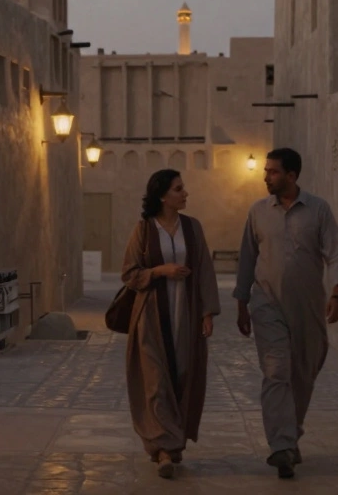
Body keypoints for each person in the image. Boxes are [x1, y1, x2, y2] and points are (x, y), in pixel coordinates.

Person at [235, 148, 338, 479]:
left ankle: (291, 434)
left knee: (302, 372)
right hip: (267, 303)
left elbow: (336, 251)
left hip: (308, 306)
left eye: (273, 172)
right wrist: (242, 302)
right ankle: (281, 446)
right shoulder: (257, 212)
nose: (266, 176)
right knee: (276, 371)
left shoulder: (318, 210)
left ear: (291, 176)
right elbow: (247, 258)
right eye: (266, 170)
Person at [121, 169, 221, 479]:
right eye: (179, 189)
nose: (185, 193)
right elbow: (129, 274)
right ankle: (164, 448)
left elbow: (204, 270)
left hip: (186, 315)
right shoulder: (144, 230)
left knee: (183, 375)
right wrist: (160, 271)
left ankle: (172, 443)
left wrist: (207, 313)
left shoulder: (192, 229)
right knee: (155, 382)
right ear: (163, 195)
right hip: (150, 317)